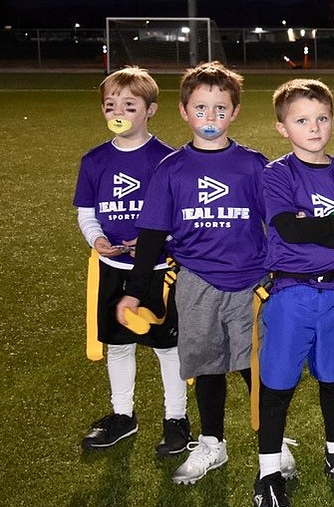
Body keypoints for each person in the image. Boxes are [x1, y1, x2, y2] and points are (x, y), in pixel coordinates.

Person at [116, 62, 293, 485]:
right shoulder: (171, 170)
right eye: (201, 109)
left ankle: (275, 442)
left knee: (259, 368)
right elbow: (154, 235)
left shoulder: (253, 166)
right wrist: (137, 292)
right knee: (209, 367)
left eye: (220, 109)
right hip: (196, 283)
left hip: (251, 284)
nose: (210, 118)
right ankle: (212, 441)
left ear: (234, 112)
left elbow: (279, 224)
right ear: (183, 111)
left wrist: (284, 274)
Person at [252, 78, 334, 507]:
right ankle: (268, 473)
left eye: (322, 118)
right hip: (292, 291)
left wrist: (321, 221)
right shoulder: (277, 174)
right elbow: (290, 228)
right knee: (278, 384)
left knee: (333, 376)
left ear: (332, 120)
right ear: (283, 127)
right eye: (302, 120)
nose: (314, 127)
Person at [74, 66, 189, 457]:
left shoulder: (168, 160)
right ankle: (123, 414)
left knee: (166, 347)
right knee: (119, 344)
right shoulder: (94, 161)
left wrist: (156, 242)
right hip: (114, 270)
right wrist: (99, 239)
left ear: (150, 110)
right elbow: (87, 212)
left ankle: (176, 419)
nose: (118, 112)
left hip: (158, 273)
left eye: (129, 104)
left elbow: (181, 216)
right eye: (111, 105)